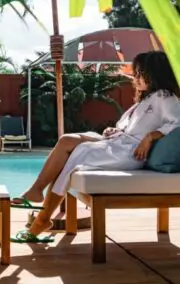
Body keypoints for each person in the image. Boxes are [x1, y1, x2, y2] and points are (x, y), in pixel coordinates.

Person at [12, 51, 180, 242]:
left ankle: (41, 214)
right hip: (115, 142)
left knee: (73, 150)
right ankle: (38, 200)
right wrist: (112, 129)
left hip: (127, 152)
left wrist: (150, 137)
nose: (136, 77)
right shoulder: (145, 99)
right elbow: (127, 127)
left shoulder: (166, 98)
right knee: (67, 141)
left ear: (156, 73)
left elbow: (177, 123)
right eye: (137, 73)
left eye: (141, 73)